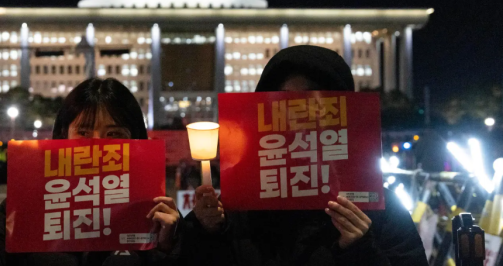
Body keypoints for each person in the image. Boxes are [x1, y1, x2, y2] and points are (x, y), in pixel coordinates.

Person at [180, 45, 428, 266]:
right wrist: (207, 231)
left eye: (313, 99)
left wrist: (361, 250)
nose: (298, 113)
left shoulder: (379, 206)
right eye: (285, 99)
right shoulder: (237, 206)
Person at [0, 78, 181, 266]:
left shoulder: (155, 214)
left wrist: (167, 247)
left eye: (114, 134)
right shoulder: (27, 206)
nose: (97, 144)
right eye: (84, 133)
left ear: (136, 140)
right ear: (62, 135)